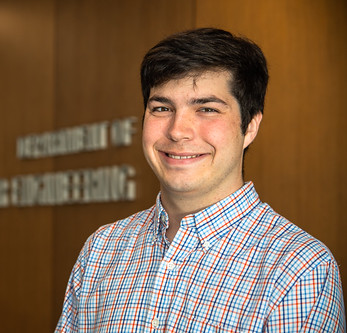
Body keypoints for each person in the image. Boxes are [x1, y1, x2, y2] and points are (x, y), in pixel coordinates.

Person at [55, 28, 345, 332]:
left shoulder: (301, 269)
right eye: (162, 108)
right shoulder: (102, 249)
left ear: (250, 127)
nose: (178, 131)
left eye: (207, 109)